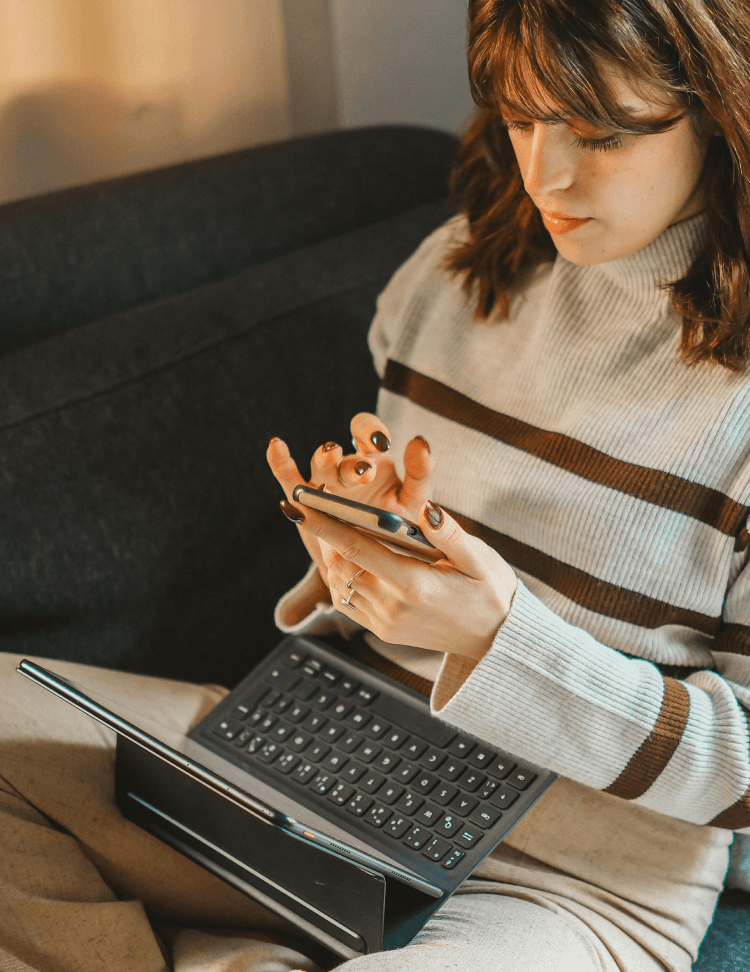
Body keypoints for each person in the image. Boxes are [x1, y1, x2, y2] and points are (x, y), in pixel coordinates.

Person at [1, 1, 749, 970]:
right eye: (522, 119)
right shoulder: (446, 279)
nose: (547, 175)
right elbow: (387, 620)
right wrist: (361, 563)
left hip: (573, 876)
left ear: (720, 110)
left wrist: (498, 639)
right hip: (335, 765)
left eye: (601, 133)